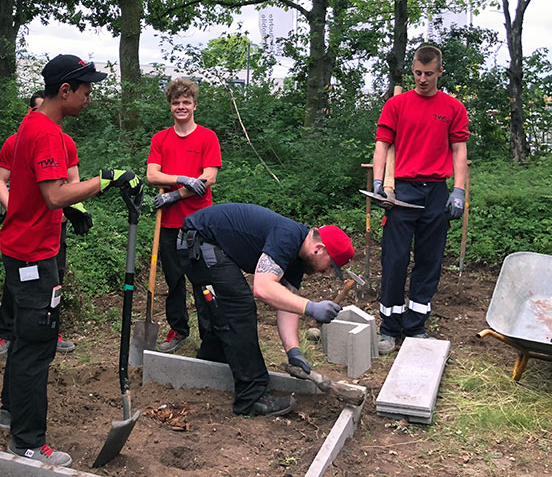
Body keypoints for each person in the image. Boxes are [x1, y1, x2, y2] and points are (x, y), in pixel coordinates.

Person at [0, 53, 140, 467]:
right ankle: (26, 440)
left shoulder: (36, 124)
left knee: (26, 340)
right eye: (86, 91)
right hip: (34, 254)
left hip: (25, 245)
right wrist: (105, 181)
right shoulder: (46, 133)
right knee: (36, 346)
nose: (89, 98)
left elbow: (40, 193)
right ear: (64, 91)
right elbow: (54, 194)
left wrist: (72, 211)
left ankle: (11, 414)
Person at [176, 203, 354, 416]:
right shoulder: (287, 237)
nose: (327, 273)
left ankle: (210, 364)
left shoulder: (297, 259)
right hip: (198, 240)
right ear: (319, 249)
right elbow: (262, 288)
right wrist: (311, 307)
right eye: (330, 266)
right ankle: (251, 398)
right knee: (239, 308)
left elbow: (287, 303)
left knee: (226, 309)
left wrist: (293, 351)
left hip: (207, 242)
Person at [372, 45, 469, 354]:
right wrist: (378, 182)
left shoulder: (453, 108)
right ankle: (389, 327)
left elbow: (459, 151)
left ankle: (416, 325)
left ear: (440, 72)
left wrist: (459, 191)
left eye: (429, 73)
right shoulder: (397, 105)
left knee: (429, 260)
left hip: (437, 192)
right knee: (395, 258)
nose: (423, 79)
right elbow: (382, 145)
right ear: (412, 70)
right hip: (402, 191)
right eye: (417, 73)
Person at [0, 90, 90, 356]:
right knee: (17, 282)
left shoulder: (64, 142)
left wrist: (73, 208)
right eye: (34, 109)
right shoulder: (16, 141)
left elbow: (73, 181)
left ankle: (50, 329)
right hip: (24, 229)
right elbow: (0, 181)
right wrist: (16, 209)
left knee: (53, 279)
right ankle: (6, 333)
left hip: (55, 224)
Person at [146, 77, 221, 353]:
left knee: (203, 279)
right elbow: (152, 175)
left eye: (186, 102)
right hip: (168, 223)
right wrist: (183, 178)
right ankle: (178, 329)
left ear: (194, 106)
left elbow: (208, 178)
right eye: (176, 102)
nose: (181, 106)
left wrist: (174, 194)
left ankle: (209, 336)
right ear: (170, 106)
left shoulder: (207, 137)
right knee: (174, 280)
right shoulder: (160, 139)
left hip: (200, 222)